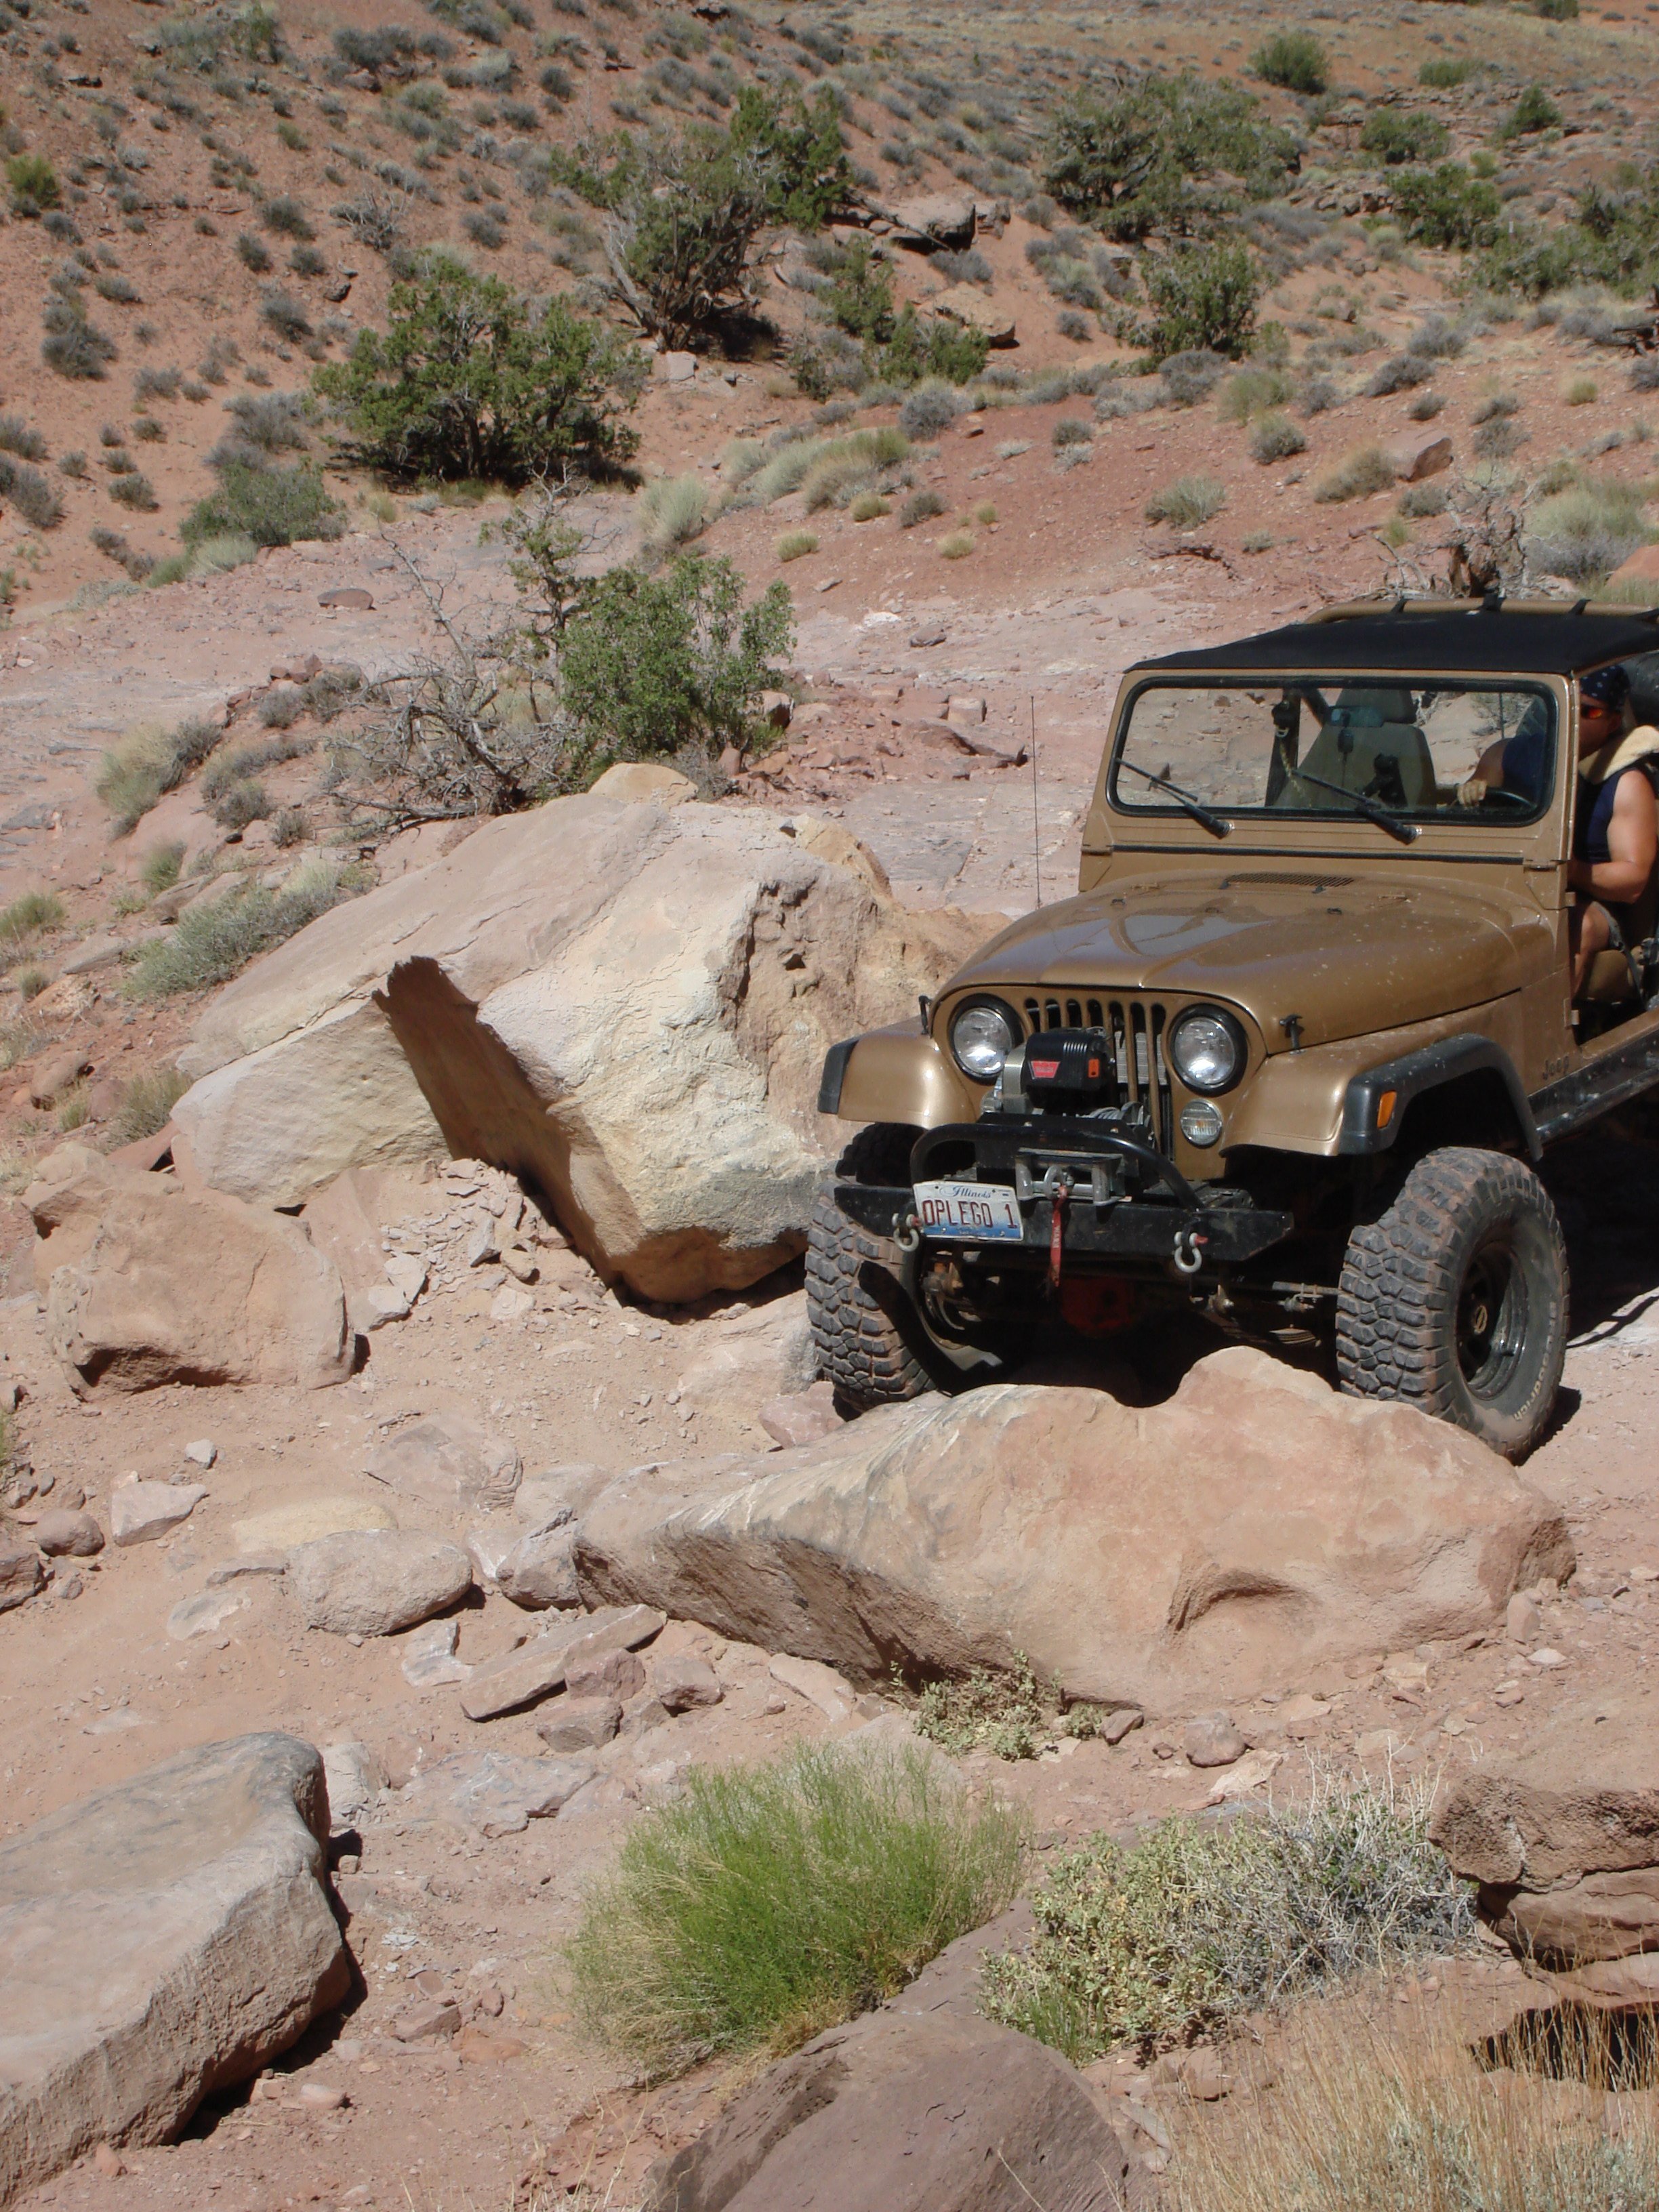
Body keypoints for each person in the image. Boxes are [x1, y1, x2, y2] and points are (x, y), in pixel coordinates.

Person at [1458, 668, 1658, 995]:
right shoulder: (1508, 755)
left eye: (1589, 712)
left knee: (1575, 927)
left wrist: (1572, 870)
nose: (1575, 718)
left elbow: (1632, 880)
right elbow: (1467, 819)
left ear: (1612, 722)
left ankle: (1551, 1023)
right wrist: (1472, 794)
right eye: (1567, 705)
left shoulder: (1626, 782)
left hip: (1592, 902)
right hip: (1512, 887)